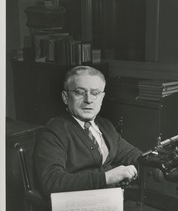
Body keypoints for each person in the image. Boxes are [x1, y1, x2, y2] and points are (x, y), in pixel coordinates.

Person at [34, 66, 142, 199]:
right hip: (77, 206)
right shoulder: (53, 132)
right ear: (66, 97)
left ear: (102, 98)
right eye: (80, 92)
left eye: (95, 93)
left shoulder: (105, 126)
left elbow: (132, 155)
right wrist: (106, 178)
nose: (89, 100)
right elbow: (52, 182)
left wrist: (150, 164)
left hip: (111, 200)